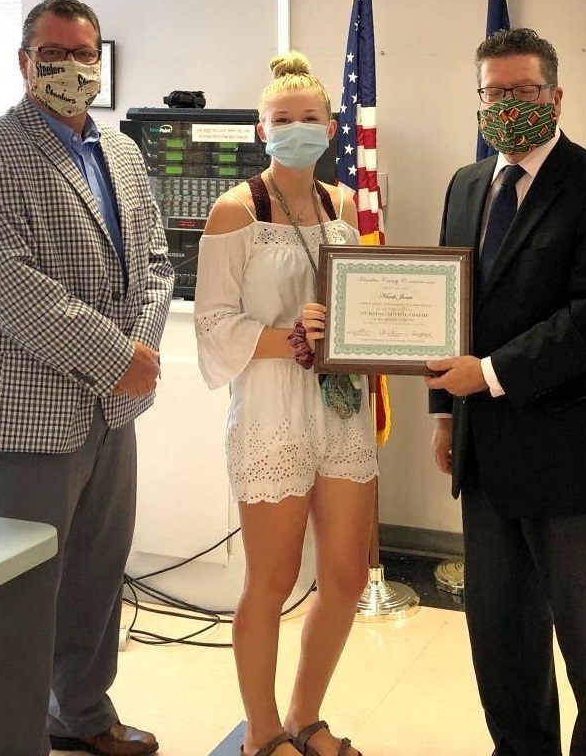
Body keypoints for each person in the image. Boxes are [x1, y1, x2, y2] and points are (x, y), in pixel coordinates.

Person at [0, 0, 174, 756]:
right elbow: (9, 285)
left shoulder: (123, 154)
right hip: (25, 418)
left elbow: (153, 264)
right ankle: (13, 745)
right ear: (24, 61)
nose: (73, 69)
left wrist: (135, 359)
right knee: (19, 598)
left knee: (95, 580)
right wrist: (119, 358)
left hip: (113, 415)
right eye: (56, 54)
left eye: (85, 55)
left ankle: (79, 712)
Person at [426, 27, 586, 756]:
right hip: (486, 457)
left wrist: (487, 375)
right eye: (493, 94)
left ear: (556, 96)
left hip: (577, 462)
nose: (506, 107)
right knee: (502, 640)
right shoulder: (466, 184)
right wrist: (442, 412)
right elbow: (446, 305)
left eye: (522, 92)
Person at [194, 52, 378, 756]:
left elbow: (363, 300)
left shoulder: (344, 206)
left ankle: (305, 716)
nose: (297, 129)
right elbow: (212, 325)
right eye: (283, 120)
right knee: (269, 582)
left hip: (341, 411)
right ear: (260, 128)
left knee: (346, 576)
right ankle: (262, 734)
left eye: (309, 119)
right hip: (272, 412)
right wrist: (290, 338)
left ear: (330, 127)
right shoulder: (235, 210)